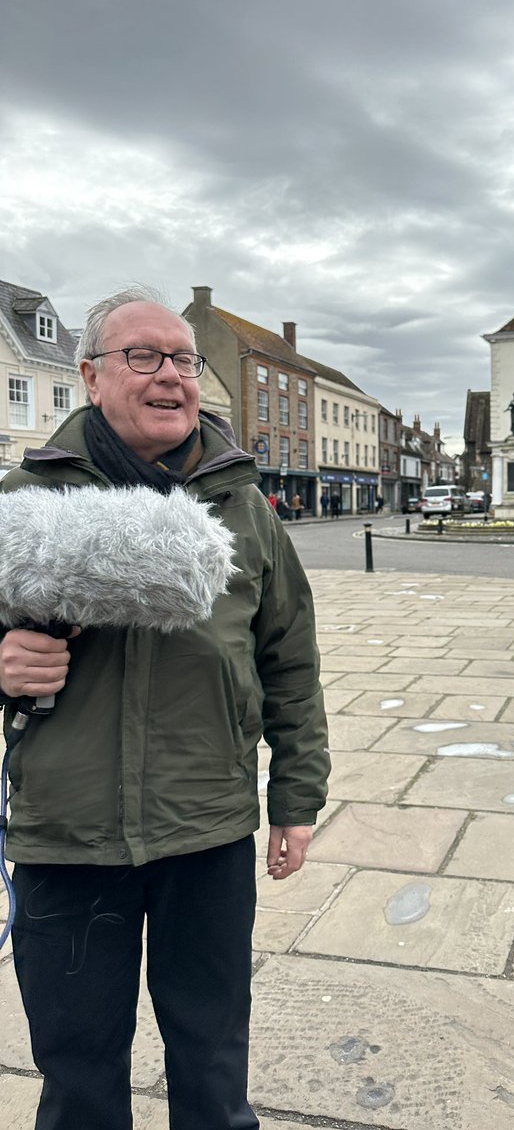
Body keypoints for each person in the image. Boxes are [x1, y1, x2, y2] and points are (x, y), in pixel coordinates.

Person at [0, 286, 330, 1130]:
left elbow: (289, 661)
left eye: (184, 359)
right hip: (69, 836)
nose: (171, 377)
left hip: (208, 830)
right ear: (90, 375)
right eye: (143, 356)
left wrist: (296, 797)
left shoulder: (244, 505)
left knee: (213, 1066)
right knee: (78, 1078)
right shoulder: (23, 501)